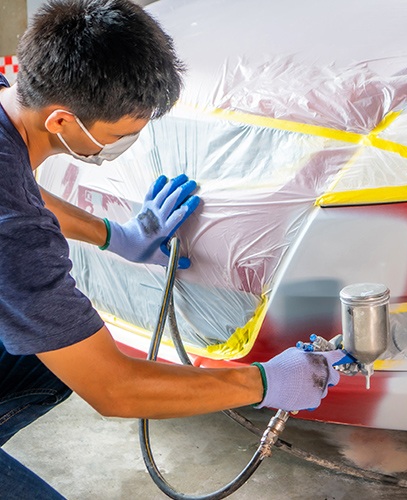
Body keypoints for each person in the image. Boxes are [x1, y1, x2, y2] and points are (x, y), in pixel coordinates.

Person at [0, 0, 345, 497]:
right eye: (122, 135)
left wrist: (118, 236)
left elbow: (20, 191)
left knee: (48, 352)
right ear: (60, 121)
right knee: (73, 358)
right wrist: (264, 382)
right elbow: (113, 388)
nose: (128, 145)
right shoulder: (15, 233)